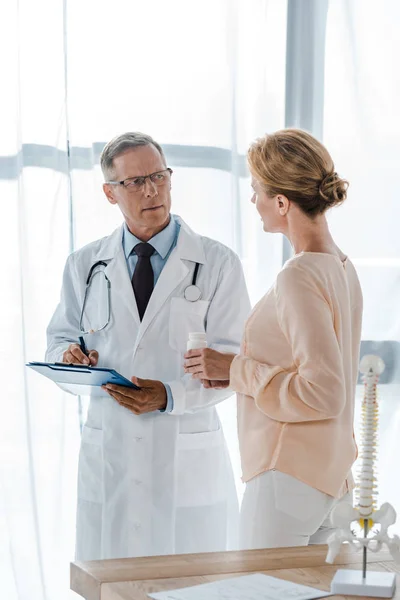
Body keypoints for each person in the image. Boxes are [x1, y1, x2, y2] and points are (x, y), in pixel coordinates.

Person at [46, 132, 251, 560]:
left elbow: (238, 368)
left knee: (193, 582)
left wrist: (169, 396)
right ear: (109, 192)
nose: (152, 190)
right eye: (135, 182)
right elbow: (60, 342)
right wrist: (70, 359)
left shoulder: (218, 263)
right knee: (112, 580)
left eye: (158, 175)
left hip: (185, 453)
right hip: (112, 451)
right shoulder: (84, 265)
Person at [184, 128, 363, 549]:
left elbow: (323, 391)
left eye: (257, 190)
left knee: (258, 593)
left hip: (289, 475)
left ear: (281, 203)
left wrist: (235, 369)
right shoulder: (341, 267)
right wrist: (233, 375)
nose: (253, 201)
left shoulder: (298, 274)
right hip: (331, 477)